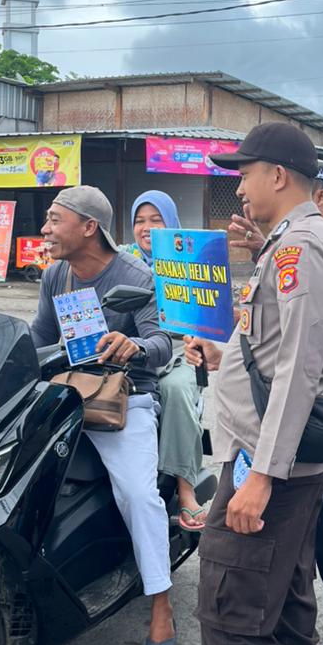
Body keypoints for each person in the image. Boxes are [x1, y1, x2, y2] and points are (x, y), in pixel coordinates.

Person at [155, 123, 323, 645]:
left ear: (279, 175)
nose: (237, 186)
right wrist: (223, 353)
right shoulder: (298, 242)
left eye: (246, 172)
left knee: (232, 612)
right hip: (284, 457)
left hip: (272, 463)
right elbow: (275, 346)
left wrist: (260, 475)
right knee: (287, 594)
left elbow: (298, 368)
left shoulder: (302, 250)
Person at [30, 186, 179, 645]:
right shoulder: (55, 275)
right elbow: (40, 336)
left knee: (138, 493)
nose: (46, 229)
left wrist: (134, 345)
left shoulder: (136, 276)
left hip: (124, 398)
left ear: (89, 227)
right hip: (68, 393)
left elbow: (162, 342)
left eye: (55, 220)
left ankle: (160, 603)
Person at [227, 169, 323, 645]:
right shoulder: (285, 245)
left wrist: (274, 254)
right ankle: (295, 622)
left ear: (316, 196)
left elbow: (320, 301)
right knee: (293, 523)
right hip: (283, 399)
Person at [121, 190, 209, 531]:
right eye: (139, 221)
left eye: (156, 220)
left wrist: (197, 339)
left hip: (179, 351)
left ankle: (186, 490)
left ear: (171, 223)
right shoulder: (122, 260)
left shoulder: (190, 261)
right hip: (135, 352)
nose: (146, 228)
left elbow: (206, 316)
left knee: (174, 389)